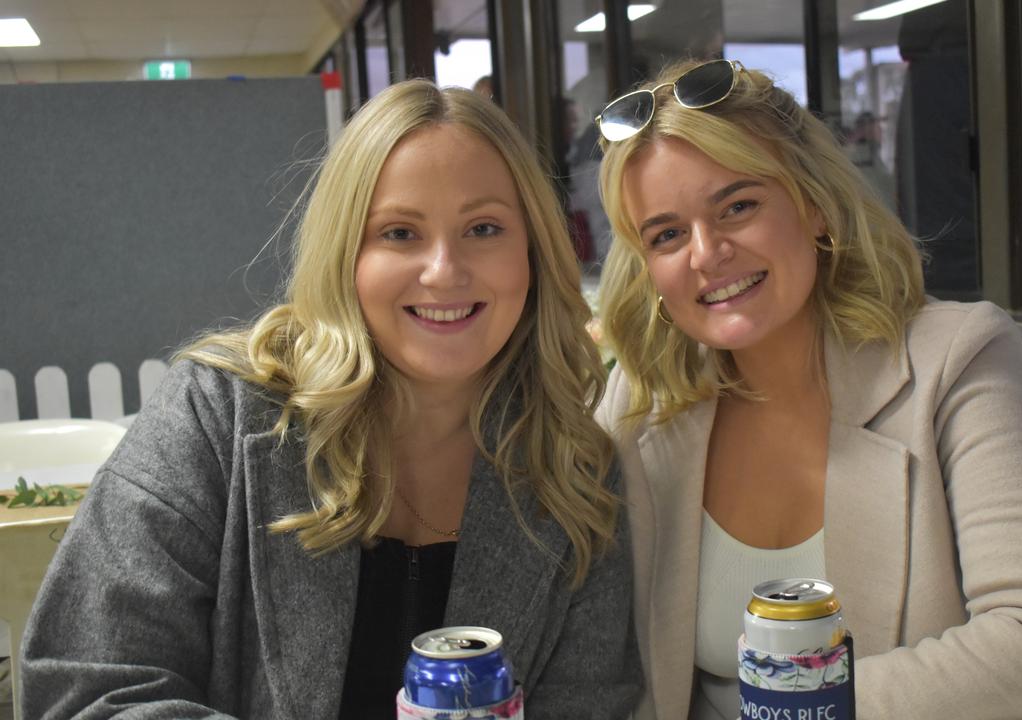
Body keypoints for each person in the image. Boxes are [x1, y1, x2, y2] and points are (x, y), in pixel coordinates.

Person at [21, 79, 641, 718]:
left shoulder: (575, 472)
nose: (444, 270)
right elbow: (86, 688)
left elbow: (592, 705)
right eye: (399, 233)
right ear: (345, 254)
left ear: (535, 252)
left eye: (483, 228)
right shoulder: (216, 415)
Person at [593, 59, 1022, 719]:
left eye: (738, 206)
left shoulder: (955, 359)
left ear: (816, 207)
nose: (706, 252)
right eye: (666, 234)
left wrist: (793, 711)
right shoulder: (640, 407)